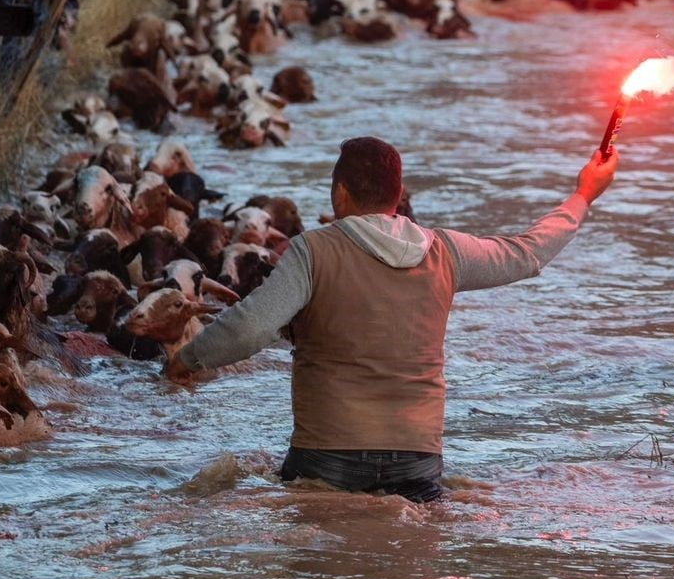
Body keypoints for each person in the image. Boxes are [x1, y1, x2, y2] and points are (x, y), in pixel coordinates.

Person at [168, 137, 619, 502]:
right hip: (417, 459)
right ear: (397, 195)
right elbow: (528, 253)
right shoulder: (445, 250)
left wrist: (187, 360)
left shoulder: (314, 250)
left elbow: (250, 327)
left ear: (340, 193)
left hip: (327, 458)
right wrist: (583, 194)